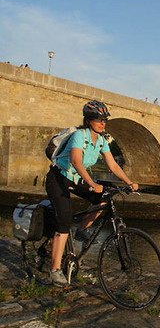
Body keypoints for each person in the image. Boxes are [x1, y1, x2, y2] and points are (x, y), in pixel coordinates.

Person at [45, 100, 138, 287]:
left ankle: (81, 230)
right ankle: (55, 270)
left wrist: (129, 182)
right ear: (88, 121)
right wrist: (91, 183)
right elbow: (77, 161)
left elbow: (112, 165)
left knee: (103, 199)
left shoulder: (102, 140)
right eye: (99, 119)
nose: (103, 123)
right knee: (64, 221)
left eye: (105, 120)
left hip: (76, 179)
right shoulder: (80, 136)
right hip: (59, 179)